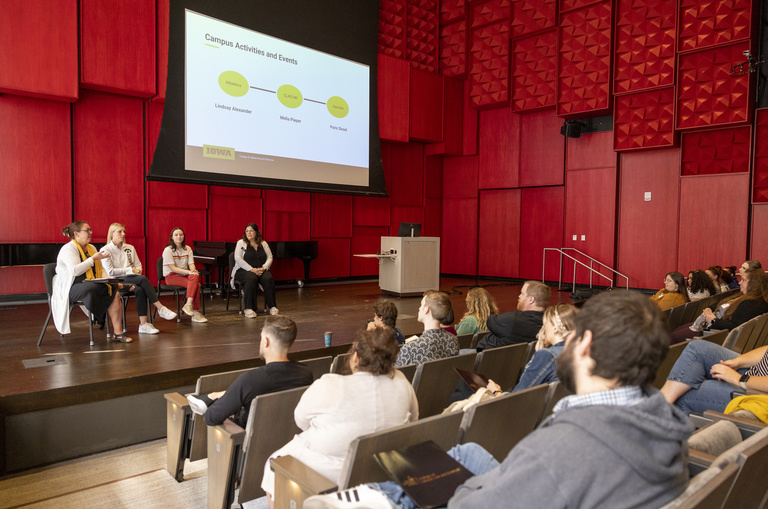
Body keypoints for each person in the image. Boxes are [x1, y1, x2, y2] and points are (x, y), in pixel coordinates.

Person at [305, 291, 694, 509]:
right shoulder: (661, 416)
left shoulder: (563, 448)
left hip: (498, 497)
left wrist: (466, 489)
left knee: (439, 480)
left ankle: (379, 500)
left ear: (585, 344)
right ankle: (378, 497)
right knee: (467, 452)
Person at [261, 327, 418, 507]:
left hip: (332, 473)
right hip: (384, 465)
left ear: (356, 358)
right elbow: (413, 418)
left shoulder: (329, 384)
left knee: (273, 463)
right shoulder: (401, 381)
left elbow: (300, 420)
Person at [186, 315, 313, 427]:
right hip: (289, 442)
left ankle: (213, 396)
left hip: (251, 449)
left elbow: (211, 417)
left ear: (266, 342)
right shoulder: (305, 374)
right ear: (292, 343)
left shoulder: (250, 380)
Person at [52, 221, 131, 343]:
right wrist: (93, 259)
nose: (91, 233)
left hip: (90, 284)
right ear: (76, 234)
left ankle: (118, 333)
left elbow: (101, 269)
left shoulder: (91, 248)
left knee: (113, 291)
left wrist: (110, 280)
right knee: (93, 288)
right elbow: (75, 271)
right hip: (70, 286)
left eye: (90, 230)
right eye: (87, 230)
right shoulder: (68, 249)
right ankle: (114, 292)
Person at [100, 223, 177, 334]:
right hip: (116, 281)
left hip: (132, 277)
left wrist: (136, 270)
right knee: (142, 279)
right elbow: (111, 272)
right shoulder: (105, 250)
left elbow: (138, 265)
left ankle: (143, 324)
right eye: (119, 232)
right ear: (112, 233)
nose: (123, 234)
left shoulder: (130, 248)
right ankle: (160, 308)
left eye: (124, 232)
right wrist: (129, 270)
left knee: (140, 289)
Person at [486, 303, 578, 393]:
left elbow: (519, 395)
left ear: (555, 328)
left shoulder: (547, 355)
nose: (543, 328)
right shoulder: (579, 352)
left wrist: (496, 392)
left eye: (545, 324)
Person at [661, 341, 768, 414]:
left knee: (684, 394)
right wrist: (738, 362)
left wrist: (738, 378)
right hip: (753, 375)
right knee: (697, 348)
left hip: (759, 397)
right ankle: (661, 401)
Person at [671, 269, 768, 342]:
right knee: (677, 331)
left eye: (743, 280)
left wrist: (713, 320)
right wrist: (709, 309)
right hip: (710, 327)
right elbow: (719, 304)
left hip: (714, 333)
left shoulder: (752, 304)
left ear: (754, 283)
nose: (739, 282)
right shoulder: (742, 296)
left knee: (673, 336)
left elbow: (735, 327)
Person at [476, 281, 549, 351]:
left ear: (531, 299)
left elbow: (490, 321)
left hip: (490, 359)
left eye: (522, 293)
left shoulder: (512, 320)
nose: (519, 296)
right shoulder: (548, 323)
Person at [395, 290, 459, 367]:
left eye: (421, 305)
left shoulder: (410, 348)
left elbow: (395, 375)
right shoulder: (452, 340)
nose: (419, 308)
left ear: (426, 309)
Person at [230, 223, 278, 317]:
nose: (249, 233)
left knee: (268, 278)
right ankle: (248, 308)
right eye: (247, 231)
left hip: (260, 270)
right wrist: (252, 269)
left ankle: (272, 306)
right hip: (243, 270)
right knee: (251, 278)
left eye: (251, 230)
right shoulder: (241, 243)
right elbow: (238, 259)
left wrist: (264, 268)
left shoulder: (263, 243)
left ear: (256, 232)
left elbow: (270, 257)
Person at [162, 227, 207, 323]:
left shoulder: (188, 249)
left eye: (181, 235)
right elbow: (173, 268)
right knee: (197, 285)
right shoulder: (168, 250)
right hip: (171, 276)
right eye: (176, 235)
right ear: (172, 237)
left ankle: (188, 304)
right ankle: (195, 312)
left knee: (195, 276)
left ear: (184, 237)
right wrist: (189, 272)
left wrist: (193, 271)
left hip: (183, 275)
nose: (179, 237)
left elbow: (191, 264)